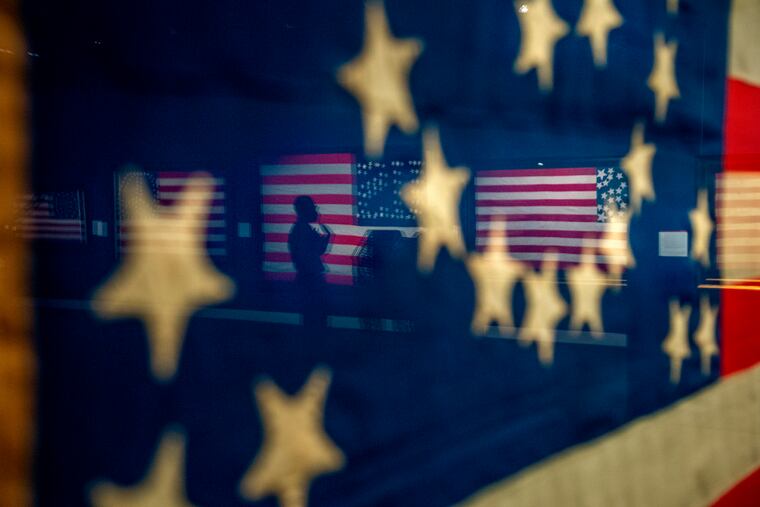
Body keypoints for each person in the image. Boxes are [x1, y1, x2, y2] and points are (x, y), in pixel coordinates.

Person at [288, 195, 331, 329]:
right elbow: (310, 256)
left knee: (312, 318)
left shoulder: (301, 229)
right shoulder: (302, 230)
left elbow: (314, 252)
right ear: (305, 210)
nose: (316, 211)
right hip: (310, 281)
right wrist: (325, 239)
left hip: (308, 280)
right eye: (313, 208)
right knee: (314, 320)